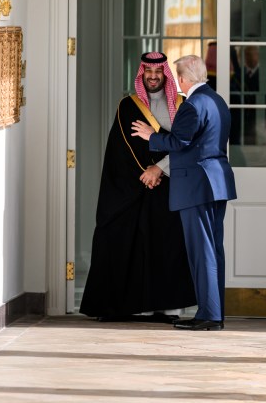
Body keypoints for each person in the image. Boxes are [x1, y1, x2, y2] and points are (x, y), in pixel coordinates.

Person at [78, 52, 196, 321]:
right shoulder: (128, 106)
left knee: (165, 245)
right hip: (131, 187)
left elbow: (189, 145)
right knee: (118, 236)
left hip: (169, 186)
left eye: (158, 72)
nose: (153, 77)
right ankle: (117, 306)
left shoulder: (183, 105)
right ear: (141, 74)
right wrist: (146, 174)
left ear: (166, 75)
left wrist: (159, 169)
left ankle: (165, 308)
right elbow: (123, 149)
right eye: (148, 72)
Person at [132, 54, 237, 331]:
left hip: (196, 186)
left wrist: (149, 136)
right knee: (213, 250)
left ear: (181, 79)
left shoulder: (192, 105)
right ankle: (215, 313)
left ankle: (208, 316)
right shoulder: (217, 100)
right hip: (216, 182)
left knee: (202, 252)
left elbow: (180, 141)